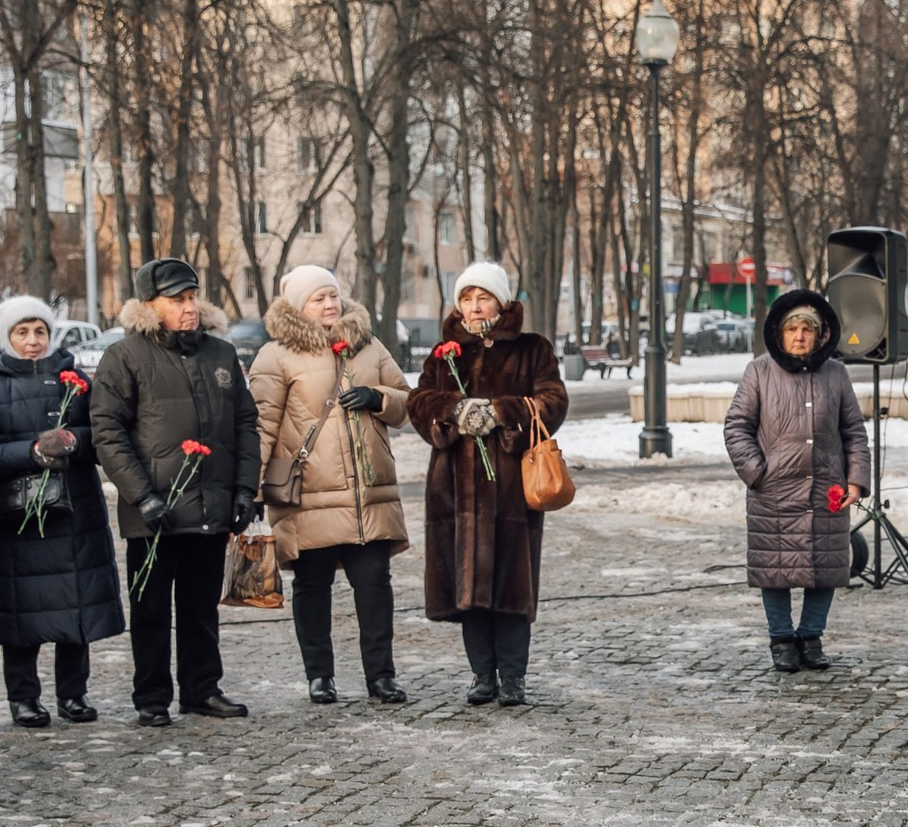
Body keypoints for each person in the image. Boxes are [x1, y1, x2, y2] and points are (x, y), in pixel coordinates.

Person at [91, 257, 260, 726]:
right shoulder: (124, 357)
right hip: (154, 511)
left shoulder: (221, 355)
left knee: (200, 607)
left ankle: (201, 689)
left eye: (192, 298)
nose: (189, 308)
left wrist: (245, 489)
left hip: (210, 506)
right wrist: (141, 495)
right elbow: (107, 431)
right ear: (150, 305)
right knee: (150, 608)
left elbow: (245, 423)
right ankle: (151, 696)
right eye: (176, 300)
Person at [407, 261, 567, 707]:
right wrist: (455, 411)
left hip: (512, 487)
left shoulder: (532, 349)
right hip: (455, 489)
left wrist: (501, 412)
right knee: (469, 587)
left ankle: (513, 677)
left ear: (500, 300)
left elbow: (553, 400)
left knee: (512, 584)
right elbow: (419, 402)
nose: (474, 307)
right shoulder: (444, 352)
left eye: (483, 298)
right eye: (466, 298)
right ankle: (482, 675)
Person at [252, 265, 411, 706]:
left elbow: (405, 404)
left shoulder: (368, 345)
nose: (329, 304)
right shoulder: (276, 355)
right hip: (308, 496)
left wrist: (379, 397)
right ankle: (320, 676)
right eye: (318, 298)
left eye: (333, 295)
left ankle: (382, 675)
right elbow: (262, 426)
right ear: (298, 307)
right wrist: (249, 489)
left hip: (367, 494)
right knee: (312, 586)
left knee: (375, 585)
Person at [0, 297, 123, 728]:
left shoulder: (75, 381)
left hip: (74, 509)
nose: (33, 341)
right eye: (22, 332)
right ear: (5, 336)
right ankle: (23, 696)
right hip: (17, 516)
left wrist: (74, 442)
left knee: (77, 601)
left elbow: (104, 435)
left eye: (40, 331)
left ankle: (74, 691)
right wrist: (32, 452)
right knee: (21, 607)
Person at [723, 290, 870, 673]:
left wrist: (856, 481)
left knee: (826, 567)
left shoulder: (836, 374)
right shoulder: (759, 371)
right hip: (773, 491)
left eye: (808, 329)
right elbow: (737, 426)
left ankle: (811, 636)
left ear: (821, 335)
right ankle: (782, 640)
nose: (800, 336)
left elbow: (853, 430)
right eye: (793, 329)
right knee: (776, 569)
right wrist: (757, 472)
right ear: (780, 333)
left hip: (827, 490)